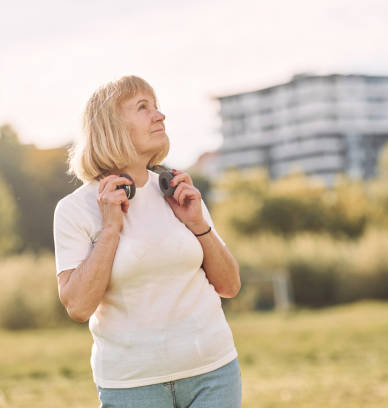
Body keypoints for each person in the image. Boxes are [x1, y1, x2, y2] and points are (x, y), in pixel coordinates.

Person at [53, 75, 242, 407]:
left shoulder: (178, 193)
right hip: (132, 386)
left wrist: (197, 224)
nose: (159, 115)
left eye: (156, 107)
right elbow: (79, 306)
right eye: (143, 107)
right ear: (111, 126)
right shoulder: (75, 210)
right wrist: (110, 229)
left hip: (213, 373)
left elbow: (229, 285)